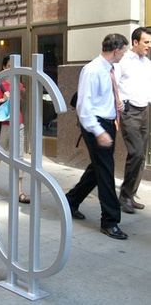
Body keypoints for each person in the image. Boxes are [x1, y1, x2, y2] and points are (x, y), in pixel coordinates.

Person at [66, 33, 129, 240]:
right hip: (95, 124)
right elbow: (84, 107)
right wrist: (99, 132)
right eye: (124, 50)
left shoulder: (113, 69)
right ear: (116, 50)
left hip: (108, 122)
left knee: (98, 168)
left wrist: (118, 104)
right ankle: (110, 222)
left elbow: (106, 95)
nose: (124, 54)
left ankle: (70, 201)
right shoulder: (92, 70)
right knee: (105, 171)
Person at [0, 55, 30, 204]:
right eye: (9, 65)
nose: (11, 68)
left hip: (18, 124)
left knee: (19, 157)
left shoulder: (19, 84)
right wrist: (2, 99)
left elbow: (22, 99)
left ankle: (19, 190)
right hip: (2, 125)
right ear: (4, 67)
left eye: (14, 66)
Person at [117, 27, 151, 214]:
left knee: (142, 155)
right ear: (135, 42)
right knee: (136, 152)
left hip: (144, 110)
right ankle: (124, 196)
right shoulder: (123, 61)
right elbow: (113, 83)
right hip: (129, 111)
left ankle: (130, 195)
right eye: (146, 42)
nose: (149, 46)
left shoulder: (147, 63)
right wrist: (118, 108)